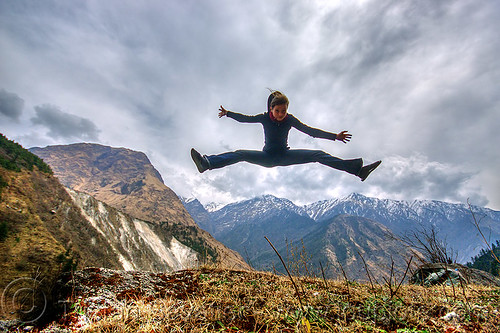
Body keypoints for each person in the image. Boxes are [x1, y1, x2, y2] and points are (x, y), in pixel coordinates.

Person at [191, 90, 381, 181]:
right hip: (267, 157)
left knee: (317, 155)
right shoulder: (264, 118)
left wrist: (334, 136)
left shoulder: (290, 120)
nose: (281, 114)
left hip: (286, 155)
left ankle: (358, 170)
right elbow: (245, 119)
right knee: (240, 153)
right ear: (271, 109)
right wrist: (228, 113)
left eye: (284, 111)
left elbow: (311, 131)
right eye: (278, 111)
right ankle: (207, 163)